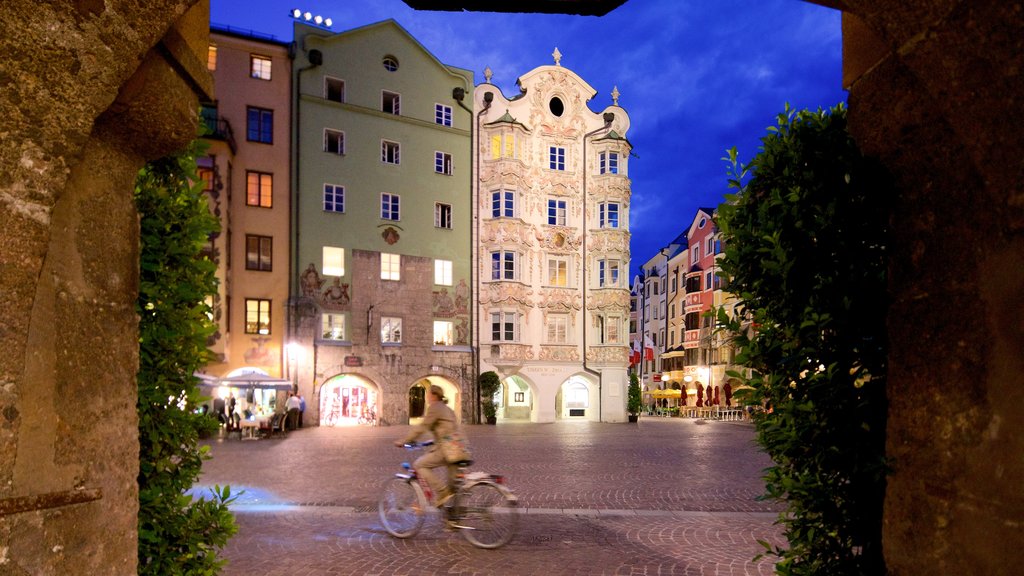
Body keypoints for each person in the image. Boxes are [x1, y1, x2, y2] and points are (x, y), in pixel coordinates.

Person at [394, 385, 470, 507]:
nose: (427, 397)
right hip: (459, 448)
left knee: (419, 465)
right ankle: (453, 521)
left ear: (433, 395)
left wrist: (404, 441)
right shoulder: (447, 408)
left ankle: (441, 491)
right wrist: (431, 441)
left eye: (428, 395)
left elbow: (422, 427)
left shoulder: (435, 407)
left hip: (447, 450)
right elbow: (447, 429)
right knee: (453, 490)